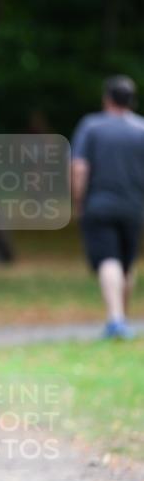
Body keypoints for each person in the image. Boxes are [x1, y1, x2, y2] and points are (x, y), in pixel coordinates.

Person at [71, 75, 144, 339]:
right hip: (134, 207)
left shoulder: (92, 127)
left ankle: (115, 320)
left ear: (107, 98)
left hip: (99, 205)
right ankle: (123, 317)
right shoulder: (141, 129)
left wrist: (78, 202)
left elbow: (79, 168)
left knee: (108, 260)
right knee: (127, 263)